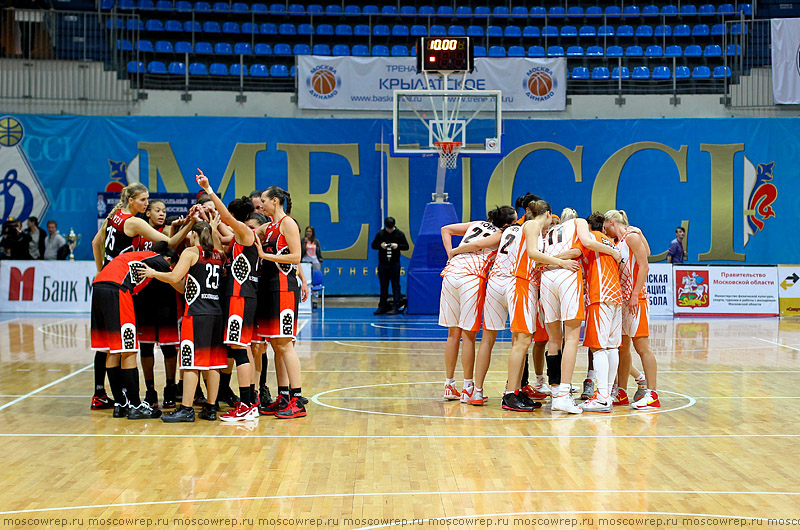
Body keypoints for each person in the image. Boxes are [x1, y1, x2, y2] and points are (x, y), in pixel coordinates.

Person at [89, 182, 194, 411]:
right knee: (126, 348)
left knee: (108, 346)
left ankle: (105, 394)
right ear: (131, 200)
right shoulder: (134, 222)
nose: (146, 204)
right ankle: (132, 403)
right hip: (121, 284)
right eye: (143, 200)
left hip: (105, 280)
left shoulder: (113, 216)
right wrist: (191, 224)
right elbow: (169, 243)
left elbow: (96, 242)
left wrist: (101, 269)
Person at [142, 223, 226, 423]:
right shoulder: (218, 255)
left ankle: (187, 409)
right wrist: (171, 278)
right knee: (212, 363)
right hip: (215, 313)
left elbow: (174, 276)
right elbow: (182, 286)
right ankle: (211, 408)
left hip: (196, 314)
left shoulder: (190, 252)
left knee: (190, 364)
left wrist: (152, 273)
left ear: (195, 234)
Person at [540, 207, 620, 414]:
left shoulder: (549, 231)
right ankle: (573, 393)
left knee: (555, 339)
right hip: (580, 279)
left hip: (549, 275)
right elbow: (581, 247)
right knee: (583, 339)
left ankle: (557, 389)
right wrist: (613, 251)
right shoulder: (594, 233)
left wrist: (550, 261)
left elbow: (571, 251)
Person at [196, 170, 261, 422]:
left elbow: (225, 219)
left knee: (240, 350)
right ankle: (249, 402)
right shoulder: (239, 236)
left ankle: (246, 405)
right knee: (238, 349)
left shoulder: (244, 232)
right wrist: (211, 218)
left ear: (236, 216)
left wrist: (209, 189)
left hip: (240, 297)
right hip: (241, 297)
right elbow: (222, 229)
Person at [439, 206, 517, 405]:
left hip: (449, 275)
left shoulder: (476, 223)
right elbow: (477, 246)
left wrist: (450, 254)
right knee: (468, 335)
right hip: (471, 278)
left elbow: (445, 229)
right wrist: (455, 250)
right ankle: (467, 388)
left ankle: (449, 384)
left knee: (452, 333)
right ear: (507, 223)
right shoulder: (501, 234)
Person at [90, 245, 176, 420]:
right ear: (168, 260)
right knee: (128, 350)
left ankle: (120, 404)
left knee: (111, 349)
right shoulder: (161, 261)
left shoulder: (136, 256)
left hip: (99, 287)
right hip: (117, 289)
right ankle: (135, 405)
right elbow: (175, 279)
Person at [253, 185, 307, 419]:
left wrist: (265, 256)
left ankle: (297, 399)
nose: (261, 205)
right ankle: (283, 395)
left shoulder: (288, 223)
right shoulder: (269, 226)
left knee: (285, 344)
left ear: (275, 201)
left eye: (263, 201)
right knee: (277, 346)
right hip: (270, 288)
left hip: (284, 288)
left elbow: (296, 257)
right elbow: (243, 233)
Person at [604, 210, 660, 410]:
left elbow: (644, 266)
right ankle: (621, 391)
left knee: (642, 348)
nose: (604, 230)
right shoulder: (619, 242)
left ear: (612, 222)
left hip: (637, 299)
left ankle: (652, 393)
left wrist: (635, 294)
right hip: (623, 302)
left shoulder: (632, 237)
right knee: (622, 348)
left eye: (605, 226)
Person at [579, 213, 623, 413]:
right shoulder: (610, 242)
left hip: (600, 295)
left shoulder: (591, 238)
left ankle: (603, 396)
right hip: (616, 296)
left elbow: (574, 252)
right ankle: (608, 394)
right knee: (612, 347)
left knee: (598, 348)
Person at [371, 217, 409, 315]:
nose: (389, 230)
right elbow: (373, 245)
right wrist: (381, 245)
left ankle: (396, 306)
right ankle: (382, 306)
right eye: (388, 228)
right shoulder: (381, 234)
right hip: (383, 263)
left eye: (391, 228)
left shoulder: (399, 234)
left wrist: (397, 246)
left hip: (394, 263)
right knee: (383, 285)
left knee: (395, 284)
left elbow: (406, 246)